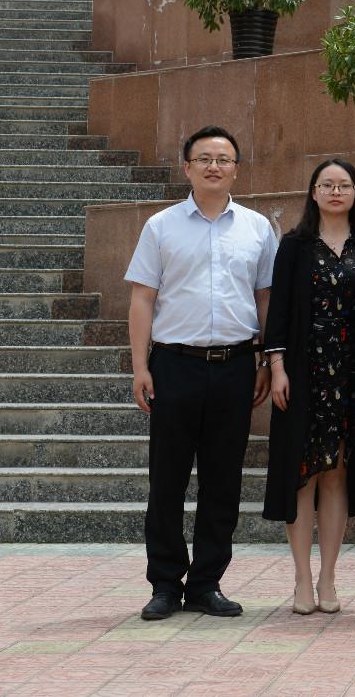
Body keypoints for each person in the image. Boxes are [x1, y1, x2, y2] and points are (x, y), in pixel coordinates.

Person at [126, 126, 277, 622]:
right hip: (174, 365)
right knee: (167, 480)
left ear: (237, 169)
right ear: (187, 166)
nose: (215, 166)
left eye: (224, 159)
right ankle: (166, 585)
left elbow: (265, 299)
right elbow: (142, 297)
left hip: (236, 366)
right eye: (204, 158)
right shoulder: (161, 226)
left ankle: (207, 583)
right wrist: (140, 366)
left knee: (223, 480)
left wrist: (265, 361)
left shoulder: (257, 228)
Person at [261, 159, 355, 616]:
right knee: (303, 474)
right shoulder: (294, 246)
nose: (335, 191)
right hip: (303, 373)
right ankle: (300, 578)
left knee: (336, 474)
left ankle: (328, 576)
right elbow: (278, 312)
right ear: (313, 192)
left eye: (344, 185)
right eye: (326, 184)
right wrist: (277, 368)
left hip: (351, 375)